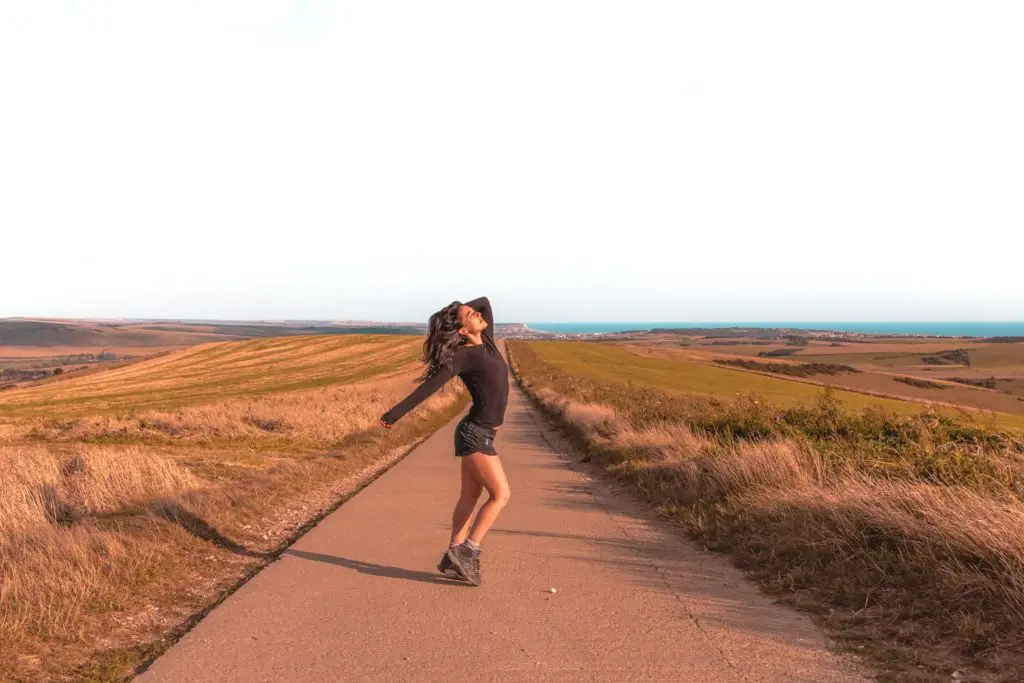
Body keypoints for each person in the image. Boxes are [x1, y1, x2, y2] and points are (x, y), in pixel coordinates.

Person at [379, 297, 510, 586]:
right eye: (470, 315)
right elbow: (427, 389)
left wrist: (459, 308)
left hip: (482, 432)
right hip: (475, 432)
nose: (478, 314)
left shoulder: (486, 341)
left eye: (475, 313)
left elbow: (485, 303)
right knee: (501, 495)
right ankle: (468, 550)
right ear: (462, 331)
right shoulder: (464, 356)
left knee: (470, 496)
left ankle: (453, 552)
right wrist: (393, 415)